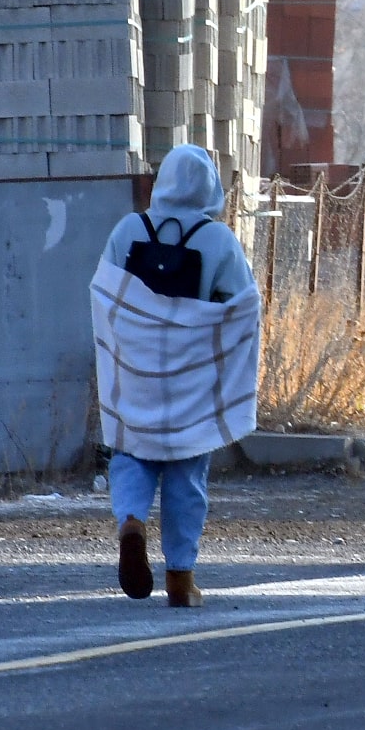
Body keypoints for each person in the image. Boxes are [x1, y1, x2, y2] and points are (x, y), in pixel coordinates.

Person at [92, 144, 261, 608]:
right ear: (208, 185)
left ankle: (131, 521)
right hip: (192, 377)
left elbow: (104, 294)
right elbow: (243, 305)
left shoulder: (128, 230)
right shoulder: (218, 240)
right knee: (187, 472)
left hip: (137, 371)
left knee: (131, 454)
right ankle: (181, 580)